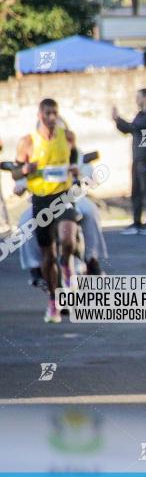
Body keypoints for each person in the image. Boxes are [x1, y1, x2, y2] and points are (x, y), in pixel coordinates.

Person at [14, 99, 79, 323]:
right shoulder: (28, 142)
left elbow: (74, 162)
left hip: (63, 195)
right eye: (47, 113)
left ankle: (67, 265)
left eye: (55, 113)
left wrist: (74, 169)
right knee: (47, 254)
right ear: (39, 115)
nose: (51, 117)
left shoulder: (68, 136)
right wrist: (23, 169)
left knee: (68, 239)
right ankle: (53, 301)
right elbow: (15, 173)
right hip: (41, 200)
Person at [112, 88, 146, 235]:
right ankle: (137, 221)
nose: (136, 100)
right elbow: (130, 129)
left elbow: (135, 127)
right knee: (136, 191)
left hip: (145, 157)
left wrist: (119, 119)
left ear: (145, 98)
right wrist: (118, 122)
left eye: (138, 97)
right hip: (137, 157)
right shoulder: (140, 115)